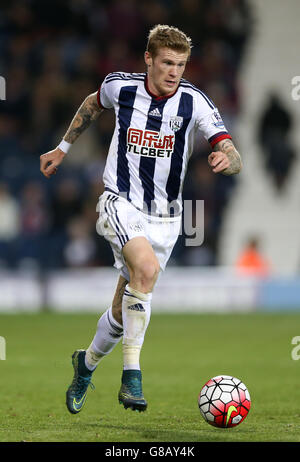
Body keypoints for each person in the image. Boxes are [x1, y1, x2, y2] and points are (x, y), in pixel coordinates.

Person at [40, 25, 242, 414]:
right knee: (145, 271)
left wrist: (226, 160)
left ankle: (85, 364)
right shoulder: (121, 86)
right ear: (148, 59)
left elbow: (232, 151)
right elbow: (92, 102)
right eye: (167, 62)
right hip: (120, 201)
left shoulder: (194, 102)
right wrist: (63, 147)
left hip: (166, 218)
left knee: (121, 312)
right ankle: (131, 376)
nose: (174, 72)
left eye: (181, 65)